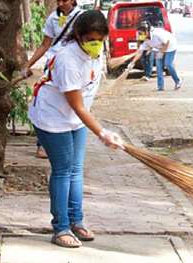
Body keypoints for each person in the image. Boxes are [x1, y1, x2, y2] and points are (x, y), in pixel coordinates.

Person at [28, 10, 123, 248]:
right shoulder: (67, 60)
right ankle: (60, 228)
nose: (96, 45)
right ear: (78, 37)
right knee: (63, 170)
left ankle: (76, 221)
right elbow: (78, 105)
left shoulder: (96, 54)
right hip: (53, 119)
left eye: (100, 40)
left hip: (75, 119)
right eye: (91, 40)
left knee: (76, 170)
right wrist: (103, 132)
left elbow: (85, 100)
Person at [22, 0, 82, 159]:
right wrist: (28, 64)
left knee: (72, 105)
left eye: (65, 0)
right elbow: (44, 45)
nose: (61, 3)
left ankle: (70, 141)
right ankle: (42, 145)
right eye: (58, 0)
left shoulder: (82, 17)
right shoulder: (52, 18)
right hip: (53, 67)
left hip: (73, 67)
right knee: (48, 103)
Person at [130, 22, 182, 91]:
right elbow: (140, 52)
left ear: (147, 31)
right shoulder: (144, 40)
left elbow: (167, 42)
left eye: (142, 33)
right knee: (159, 67)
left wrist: (161, 52)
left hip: (170, 46)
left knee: (168, 64)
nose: (140, 35)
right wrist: (132, 63)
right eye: (139, 33)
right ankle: (160, 87)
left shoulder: (157, 34)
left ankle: (178, 81)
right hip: (160, 48)